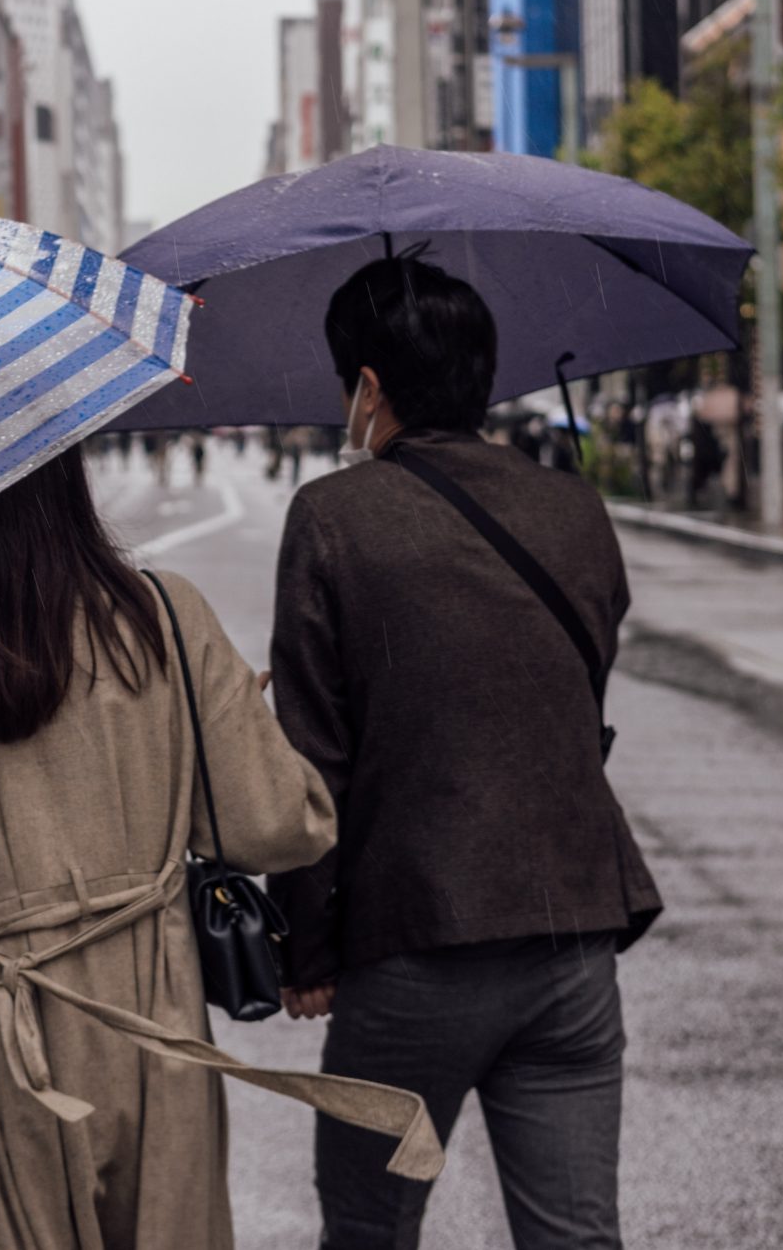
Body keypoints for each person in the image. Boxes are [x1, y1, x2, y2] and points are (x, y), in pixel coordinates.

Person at [0, 446, 435, 1250]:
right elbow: (276, 825)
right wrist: (209, 746)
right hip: (149, 1008)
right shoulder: (162, 617)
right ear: (59, 478)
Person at [271, 256, 662, 1250]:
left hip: (414, 949)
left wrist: (306, 949)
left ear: (367, 389)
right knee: (576, 1237)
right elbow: (574, 697)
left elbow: (312, 764)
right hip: (573, 937)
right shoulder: (575, 509)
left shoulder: (332, 516)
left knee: (370, 1229)